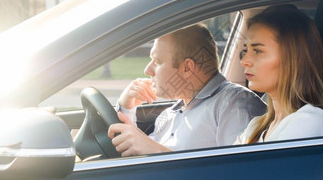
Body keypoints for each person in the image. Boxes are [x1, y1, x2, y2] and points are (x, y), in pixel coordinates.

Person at [108, 24, 267, 156]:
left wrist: (156, 150)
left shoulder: (234, 106)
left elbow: (239, 175)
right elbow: (143, 154)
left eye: (157, 61)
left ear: (187, 68)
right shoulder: (172, 113)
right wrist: (127, 108)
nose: (147, 70)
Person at [235, 5, 323, 144]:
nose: (244, 61)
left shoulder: (311, 122)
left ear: (293, 59)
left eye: (258, 51)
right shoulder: (257, 126)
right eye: (245, 50)